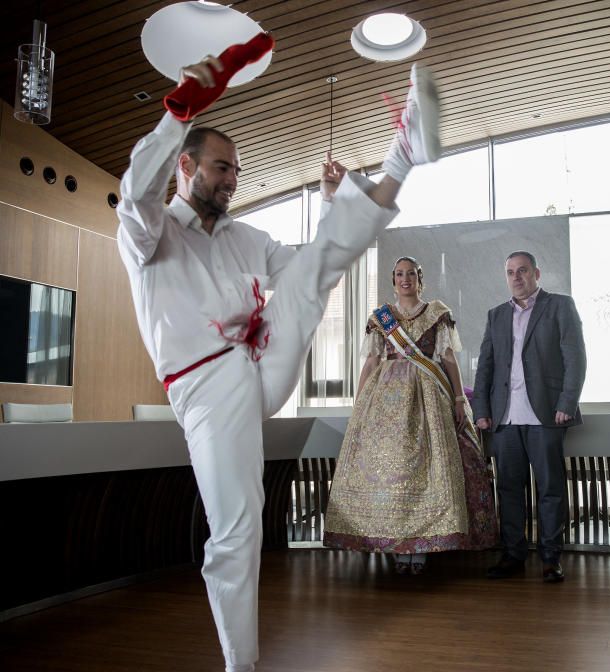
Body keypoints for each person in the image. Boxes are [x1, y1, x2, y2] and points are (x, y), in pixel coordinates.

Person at [116, 43, 441, 672]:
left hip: (258, 364)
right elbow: (134, 195)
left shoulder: (247, 238)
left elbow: (313, 271)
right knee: (237, 531)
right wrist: (180, 108)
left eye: (235, 169)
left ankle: (404, 153)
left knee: (312, 274)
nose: (232, 179)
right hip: (204, 390)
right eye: (219, 168)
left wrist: (329, 208)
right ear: (185, 167)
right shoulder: (150, 233)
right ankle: (243, 664)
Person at [323, 256, 498, 572]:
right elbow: (372, 363)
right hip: (385, 405)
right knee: (392, 475)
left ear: (421, 278)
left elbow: (447, 359)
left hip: (429, 400)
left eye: (411, 274)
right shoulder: (382, 318)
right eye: (399, 274)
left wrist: (459, 397)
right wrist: (359, 405)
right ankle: (399, 549)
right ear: (393, 280)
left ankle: (423, 549)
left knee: (425, 471)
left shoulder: (437, 314)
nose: (405, 279)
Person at [472, 251, 587, 583]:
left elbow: (575, 358)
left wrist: (568, 400)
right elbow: (486, 368)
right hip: (504, 418)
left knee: (550, 489)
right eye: (510, 272)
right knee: (508, 489)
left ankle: (551, 558)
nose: (516, 277)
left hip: (548, 413)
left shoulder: (560, 306)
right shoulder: (496, 316)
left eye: (522, 270)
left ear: (536, 272)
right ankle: (513, 555)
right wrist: (482, 410)